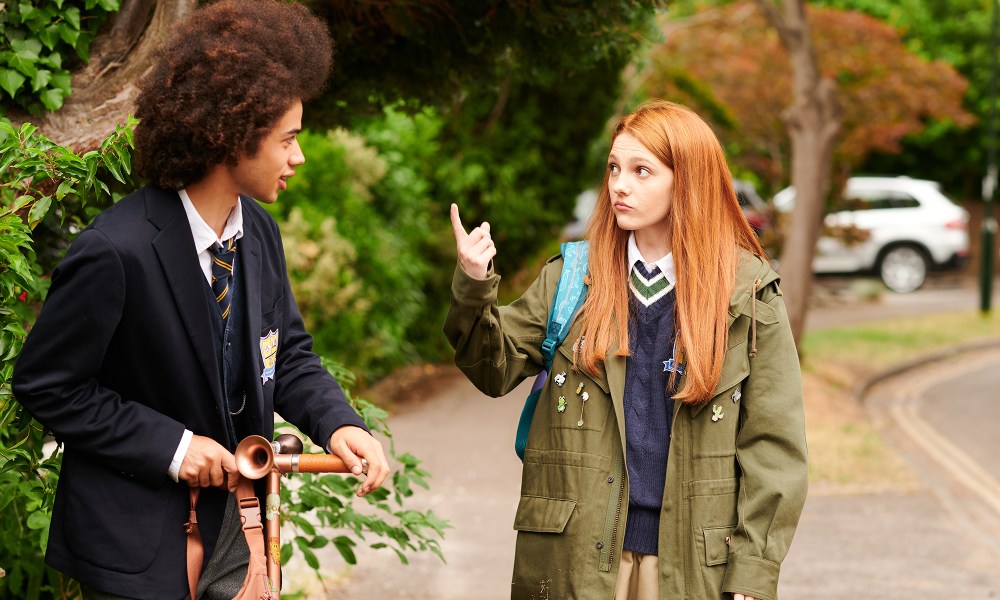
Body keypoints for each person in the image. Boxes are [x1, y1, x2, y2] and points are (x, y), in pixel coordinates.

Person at [12, 2, 389, 598]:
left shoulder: (258, 231)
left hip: (241, 535)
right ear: (233, 136)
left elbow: (285, 353)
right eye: (288, 139)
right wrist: (173, 447)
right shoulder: (115, 250)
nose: (299, 157)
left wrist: (338, 423)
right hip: (139, 554)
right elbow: (46, 385)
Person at [445, 100, 807, 600]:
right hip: (576, 558)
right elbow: (493, 366)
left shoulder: (746, 293)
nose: (619, 184)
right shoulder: (574, 277)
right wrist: (473, 282)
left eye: (642, 170)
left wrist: (753, 569)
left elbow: (774, 444)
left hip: (692, 565)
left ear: (689, 180)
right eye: (614, 168)